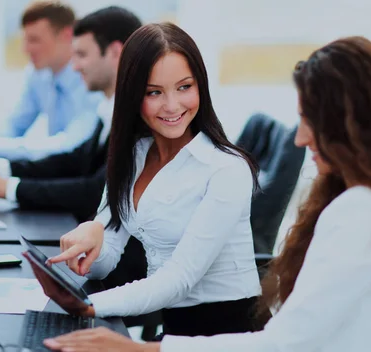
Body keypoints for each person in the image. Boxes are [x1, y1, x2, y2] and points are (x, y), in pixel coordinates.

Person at [39, 36, 371, 352]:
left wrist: (140, 347)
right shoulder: (368, 203)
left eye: (308, 119)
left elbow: (285, 341)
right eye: (154, 92)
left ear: (351, 126)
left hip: (218, 326)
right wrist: (94, 232)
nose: (299, 138)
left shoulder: (361, 212)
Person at [24, 22, 262, 339]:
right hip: (176, 330)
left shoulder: (226, 169)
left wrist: (86, 305)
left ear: (201, 87)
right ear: (134, 95)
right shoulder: (134, 155)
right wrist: (92, 234)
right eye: (154, 92)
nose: (172, 106)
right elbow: (104, 263)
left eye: (184, 87)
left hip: (229, 333)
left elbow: (178, 279)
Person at [0, 6, 141, 219]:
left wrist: (5, 188)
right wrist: (1, 170)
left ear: (115, 52)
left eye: (82, 55)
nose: (74, 67)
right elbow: (74, 161)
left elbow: (95, 191)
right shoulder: (108, 108)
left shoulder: (138, 117)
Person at [0, 0, 101, 160]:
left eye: (34, 40)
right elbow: (14, 125)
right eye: (25, 39)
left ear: (67, 35)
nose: (25, 49)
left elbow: (69, 145)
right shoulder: (38, 74)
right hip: (52, 169)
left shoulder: (92, 79)